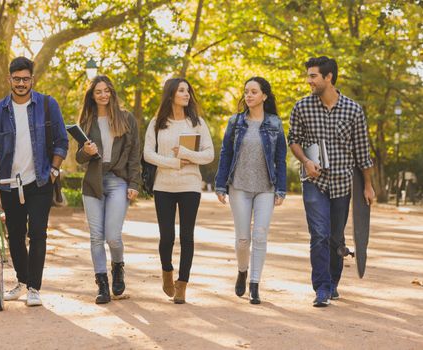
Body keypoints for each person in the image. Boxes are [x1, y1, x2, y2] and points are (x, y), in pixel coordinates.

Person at [288, 56, 375, 307]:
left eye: (313, 76)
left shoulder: (353, 109)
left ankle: (333, 282)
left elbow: (362, 151)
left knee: (335, 238)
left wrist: (367, 185)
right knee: (319, 234)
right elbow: (293, 139)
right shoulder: (302, 107)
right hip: (314, 181)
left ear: (328, 77)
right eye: (308, 75)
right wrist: (305, 161)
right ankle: (322, 288)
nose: (309, 80)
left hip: (342, 183)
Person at [0, 56, 69, 306]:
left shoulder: (47, 104)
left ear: (33, 79)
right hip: (10, 182)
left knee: (38, 233)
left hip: (40, 181)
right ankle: (22, 281)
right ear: (9, 79)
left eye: (25, 79)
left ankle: (34, 288)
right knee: (16, 235)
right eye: (16, 79)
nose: (21, 83)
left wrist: (54, 170)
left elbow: (62, 141)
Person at [215, 77, 287, 304]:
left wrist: (281, 189)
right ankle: (242, 270)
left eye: (254, 92)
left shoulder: (275, 123)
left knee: (260, 235)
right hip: (239, 187)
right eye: (246, 92)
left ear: (264, 96)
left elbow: (280, 159)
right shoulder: (235, 122)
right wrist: (220, 184)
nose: (249, 95)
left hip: (266, 187)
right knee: (243, 239)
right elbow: (226, 153)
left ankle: (254, 284)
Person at [143, 78, 214, 304]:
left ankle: (182, 284)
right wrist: (173, 162)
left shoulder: (197, 123)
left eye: (188, 91)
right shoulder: (157, 123)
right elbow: (147, 154)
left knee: (186, 236)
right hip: (163, 185)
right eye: (182, 90)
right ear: (171, 94)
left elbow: (209, 154)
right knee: (167, 237)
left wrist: (187, 154)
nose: (186, 94)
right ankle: (167, 272)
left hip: (190, 185)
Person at [76, 75, 140, 304]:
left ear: (112, 93)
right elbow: (78, 158)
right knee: (96, 237)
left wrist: (134, 184)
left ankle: (118, 266)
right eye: (98, 92)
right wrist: (87, 152)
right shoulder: (86, 122)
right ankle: (102, 284)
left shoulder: (126, 119)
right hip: (93, 182)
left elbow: (134, 155)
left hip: (117, 181)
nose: (103, 95)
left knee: (113, 237)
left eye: (106, 91)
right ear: (92, 96)